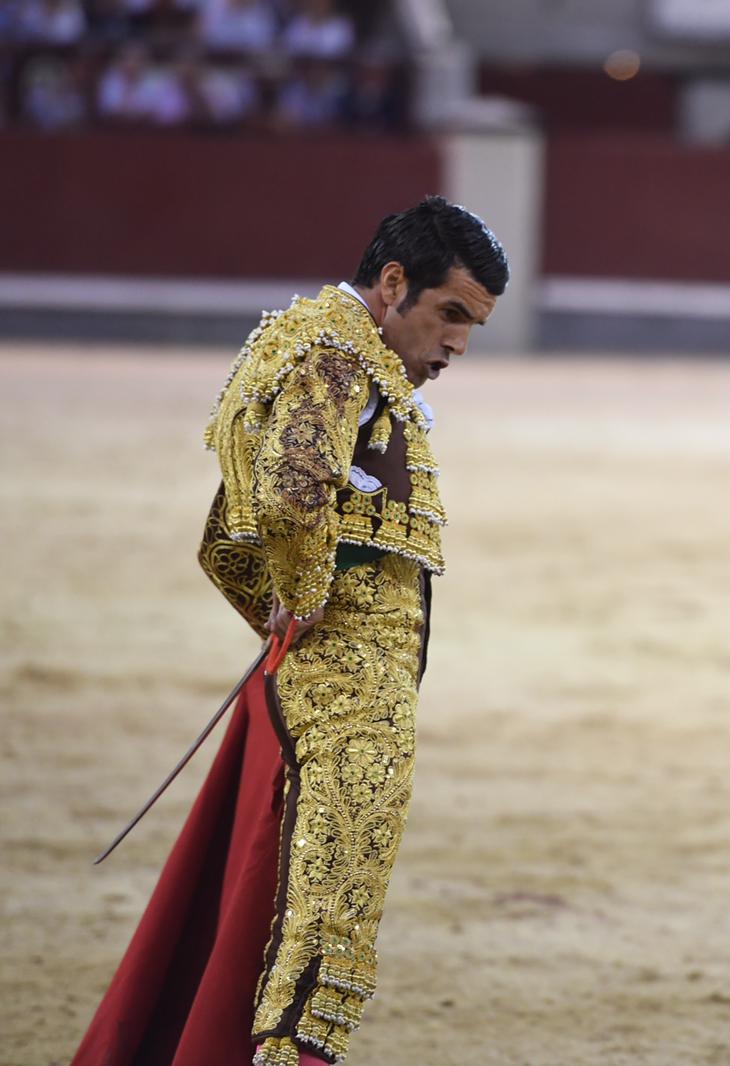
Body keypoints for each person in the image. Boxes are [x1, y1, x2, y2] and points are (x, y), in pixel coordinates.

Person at [73, 196, 508, 1066]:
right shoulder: (337, 353)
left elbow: (225, 539)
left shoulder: (317, 341)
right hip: (345, 687)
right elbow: (287, 492)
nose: (458, 343)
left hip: (316, 672)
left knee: (281, 903)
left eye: (474, 324)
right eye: (450, 314)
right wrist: (305, 594)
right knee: (323, 916)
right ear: (393, 285)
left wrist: (281, 612)